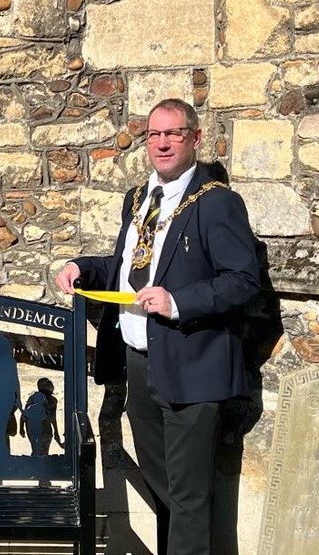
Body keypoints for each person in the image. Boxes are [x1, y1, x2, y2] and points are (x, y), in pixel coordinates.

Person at [55, 98, 260, 555]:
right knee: (163, 489)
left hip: (193, 365)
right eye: (154, 134)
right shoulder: (139, 198)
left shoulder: (217, 203)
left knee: (187, 498)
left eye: (174, 134)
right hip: (139, 365)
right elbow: (129, 267)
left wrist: (178, 302)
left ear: (196, 138)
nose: (162, 143)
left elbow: (244, 281)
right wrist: (82, 268)